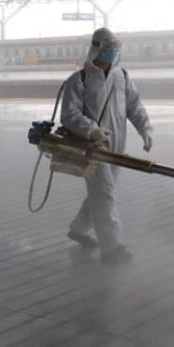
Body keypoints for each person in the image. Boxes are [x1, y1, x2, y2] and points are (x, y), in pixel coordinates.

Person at [60, 28, 153, 265]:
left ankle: (79, 228)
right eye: (108, 49)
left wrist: (145, 129)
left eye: (115, 49)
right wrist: (91, 129)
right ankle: (112, 248)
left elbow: (134, 106)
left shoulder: (122, 76)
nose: (113, 53)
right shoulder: (78, 80)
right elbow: (69, 115)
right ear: (96, 49)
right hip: (92, 145)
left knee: (102, 191)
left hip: (117, 145)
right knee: (105, 192)